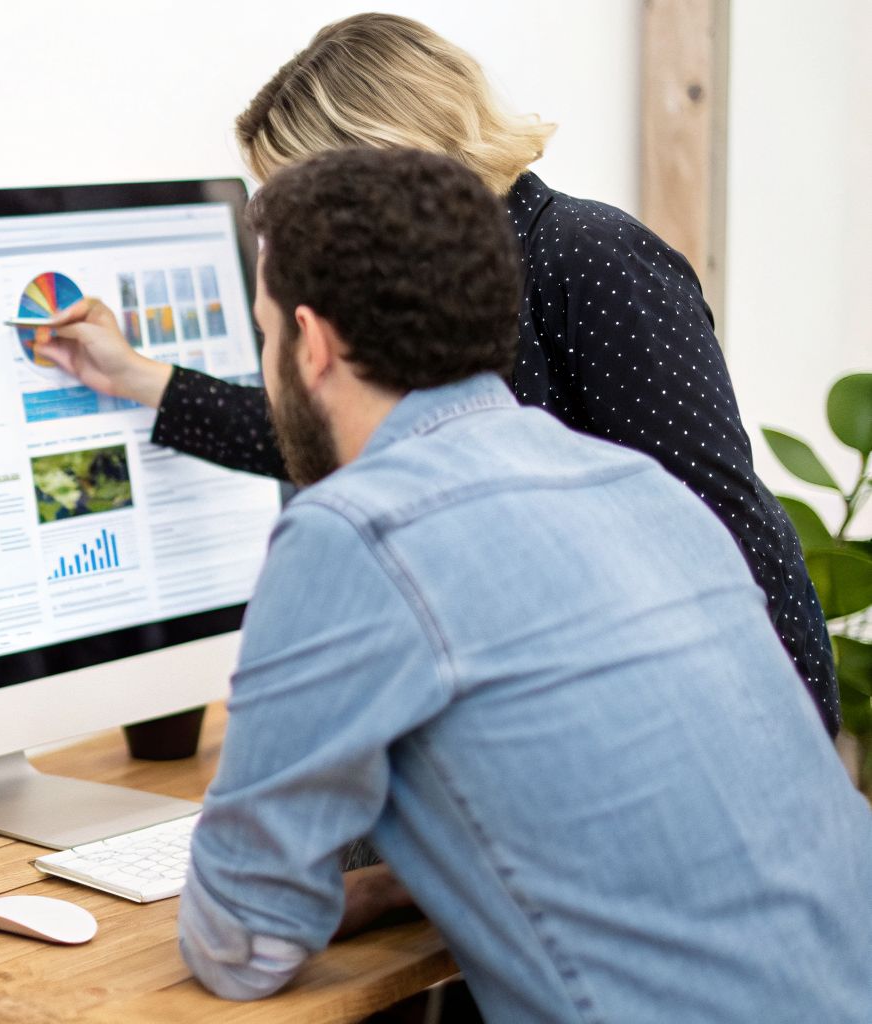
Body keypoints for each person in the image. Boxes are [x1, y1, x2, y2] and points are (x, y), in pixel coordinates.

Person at [175, 145, 872, 1018]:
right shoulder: (642, 487)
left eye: (267, 333)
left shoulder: (354, 531)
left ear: (310, 343)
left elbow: (242, 944)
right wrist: (401, 882)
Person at [41, 12, 841, 736]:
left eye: (300, 201)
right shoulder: (416, 295)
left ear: (384, 162)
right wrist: (139, 378)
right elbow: (335, 435)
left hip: (687, 718)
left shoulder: (589, 256)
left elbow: (718, 524)